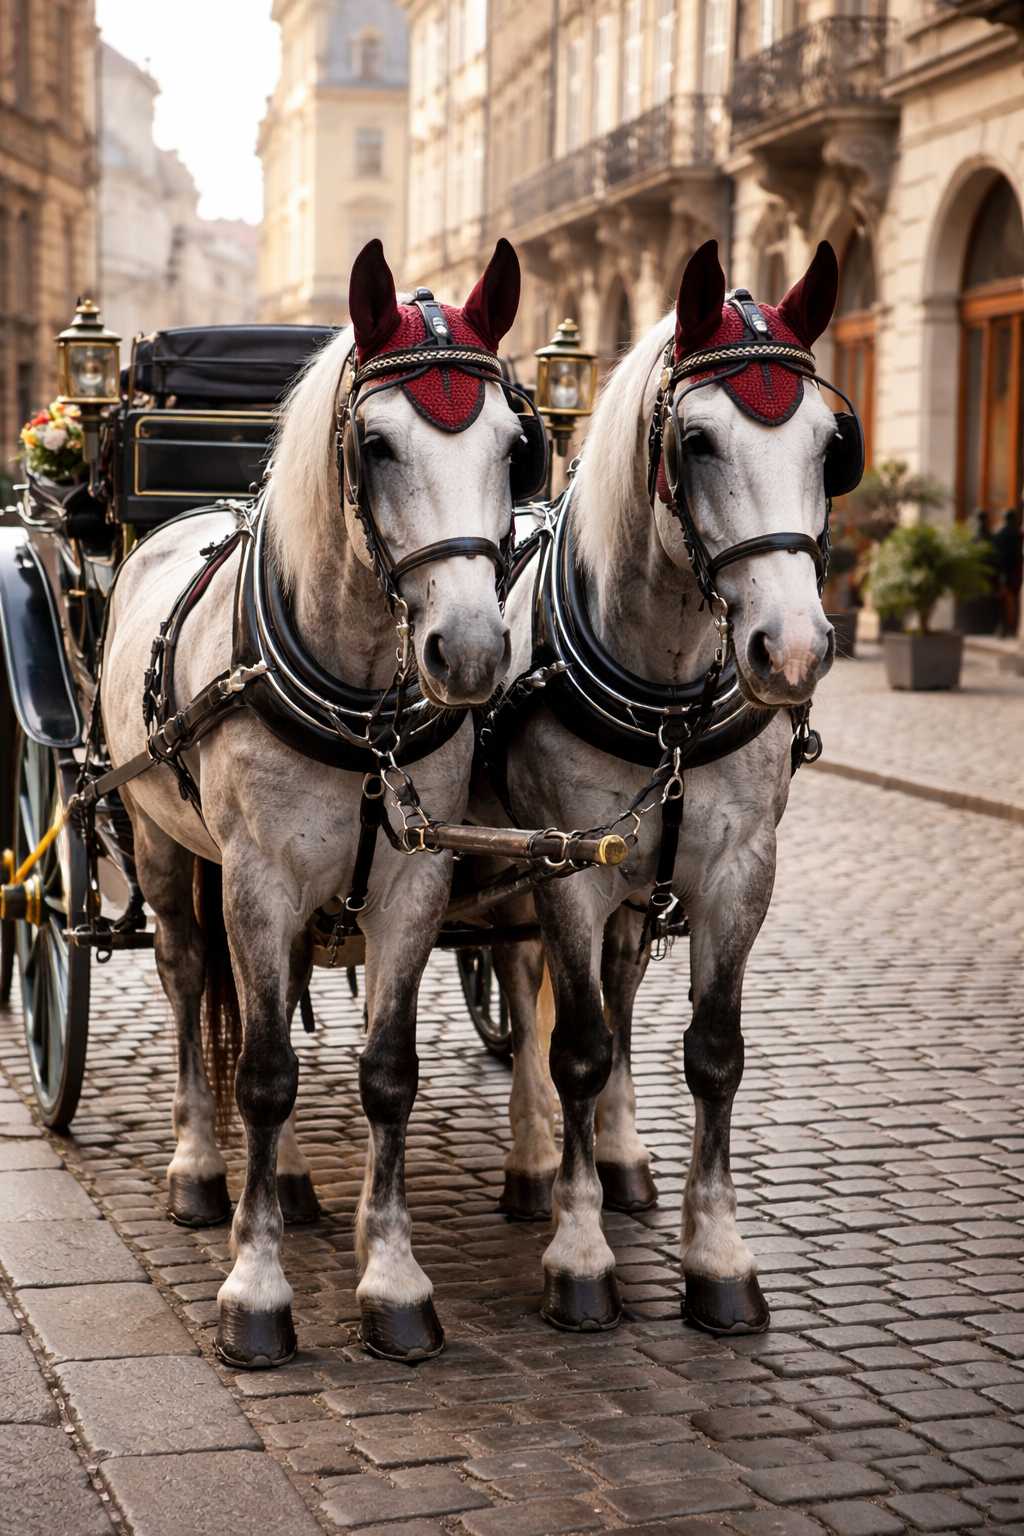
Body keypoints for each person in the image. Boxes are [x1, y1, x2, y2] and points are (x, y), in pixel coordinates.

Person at [992, 508, 1023, 637]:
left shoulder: (999, 533)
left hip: (1003, 572)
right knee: (1012, 600)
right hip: (1014, 572)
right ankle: (1009, 628)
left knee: (1003, 601)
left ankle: (1004, 628)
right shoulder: (1017, 534)